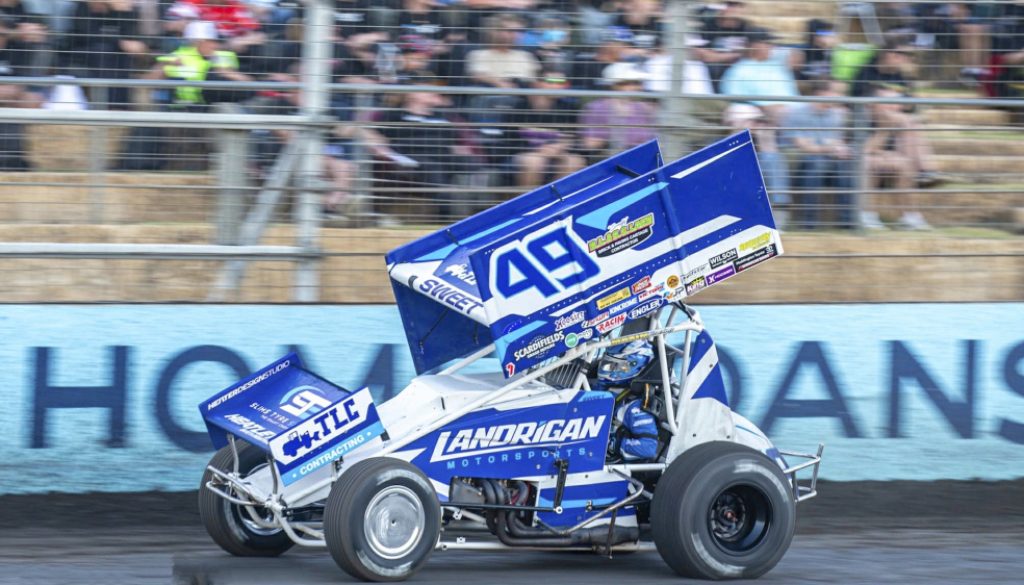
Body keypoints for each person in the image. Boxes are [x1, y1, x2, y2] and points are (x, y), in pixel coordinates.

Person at [785, 80, 855, 230]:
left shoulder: (836, 115)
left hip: (827, 159)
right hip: (800, 161)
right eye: (835, 92)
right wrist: (830, 147)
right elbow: (803, 146)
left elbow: (837, 142)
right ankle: (808, 223)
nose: (839, 97)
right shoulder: (797, 112)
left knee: (844, 166)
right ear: (820, 93)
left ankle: (847, 222)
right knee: (817, 164)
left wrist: (837, 148)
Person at [861, 86, 932, 230]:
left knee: (904, 165)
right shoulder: (860, 117)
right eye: (888, 102)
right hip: (857, 161)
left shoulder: (900, 120)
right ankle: (867, 215)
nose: (894, 106)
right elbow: (863, 151)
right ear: (873, 104)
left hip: (886, 160)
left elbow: (905, 152)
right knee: (871, 163)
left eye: (897, 102)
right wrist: (885, 129)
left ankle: (909, 217)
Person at [61, 0, 149, 108]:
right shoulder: (83, 6)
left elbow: (129, 36)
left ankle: (120, 107)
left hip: (110, 55)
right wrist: (120, 42)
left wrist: (124, 12)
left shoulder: (120, 8)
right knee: (103, 50)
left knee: (123, 55)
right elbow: (87, 35)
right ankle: (110, 106)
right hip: (81, 53)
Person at [510, 70, 584, 188]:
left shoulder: (569, 107)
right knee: (535, 162)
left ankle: (554, 202)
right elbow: (510, 137)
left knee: (575, 161)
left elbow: (572, 135)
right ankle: (528, 203)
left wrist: (560, 146)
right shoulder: (519, 106)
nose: (557, 86)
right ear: (537, 84)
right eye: (551, 82)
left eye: (561, 83)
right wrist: (540, 150)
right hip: (526, 152)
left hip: (556, 151)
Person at [594, 340, 659, 463]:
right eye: (607, 363)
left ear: (632, 366)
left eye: (613, 365)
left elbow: (648, 448)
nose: (606, 368)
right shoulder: (605, 389)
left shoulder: (635, 408)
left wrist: (611, 443)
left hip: (617, 469)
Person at [579, 62, 657, 162]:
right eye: (631, 83)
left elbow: (653, 139)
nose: (638, 87)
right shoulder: (598, 108)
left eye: (638, 83)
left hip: (644, 158)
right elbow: (590, 143)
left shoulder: (643, 108)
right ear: (615, 85)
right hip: (611, 160)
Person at [465, 13, 540, 90]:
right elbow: (478, 75)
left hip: (526, 91)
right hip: (497, 92)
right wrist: (499, 83)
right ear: (495, 32)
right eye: (510, 31)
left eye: (519, 31)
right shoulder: (479, 54)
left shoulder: (526, 55)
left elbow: (535, 80)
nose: (516, 35)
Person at [693, 0, 751, 92]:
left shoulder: (747, 27)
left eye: (737, 5)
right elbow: (703, 55)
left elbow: (752, 52)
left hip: (738, 67)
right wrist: (736, 55)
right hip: (712, 68)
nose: (732, 9)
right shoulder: (708, 25)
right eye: (729, 5)